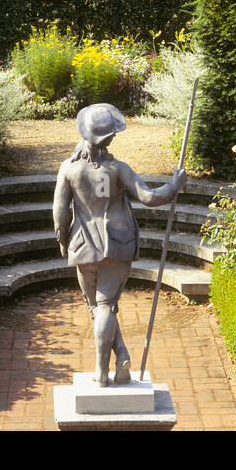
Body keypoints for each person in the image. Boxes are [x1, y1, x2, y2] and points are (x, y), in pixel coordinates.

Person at [53, 103, 187, 385]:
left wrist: (63, 240)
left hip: (82, 245)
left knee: (98, 307)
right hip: (117, 243)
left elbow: (59, 212)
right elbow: (149, 197)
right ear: (109, 138)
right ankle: (110, 366)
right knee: (105, 306)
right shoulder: (118, 169)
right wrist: (175, 186)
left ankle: (113, 363)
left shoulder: (68, 169)